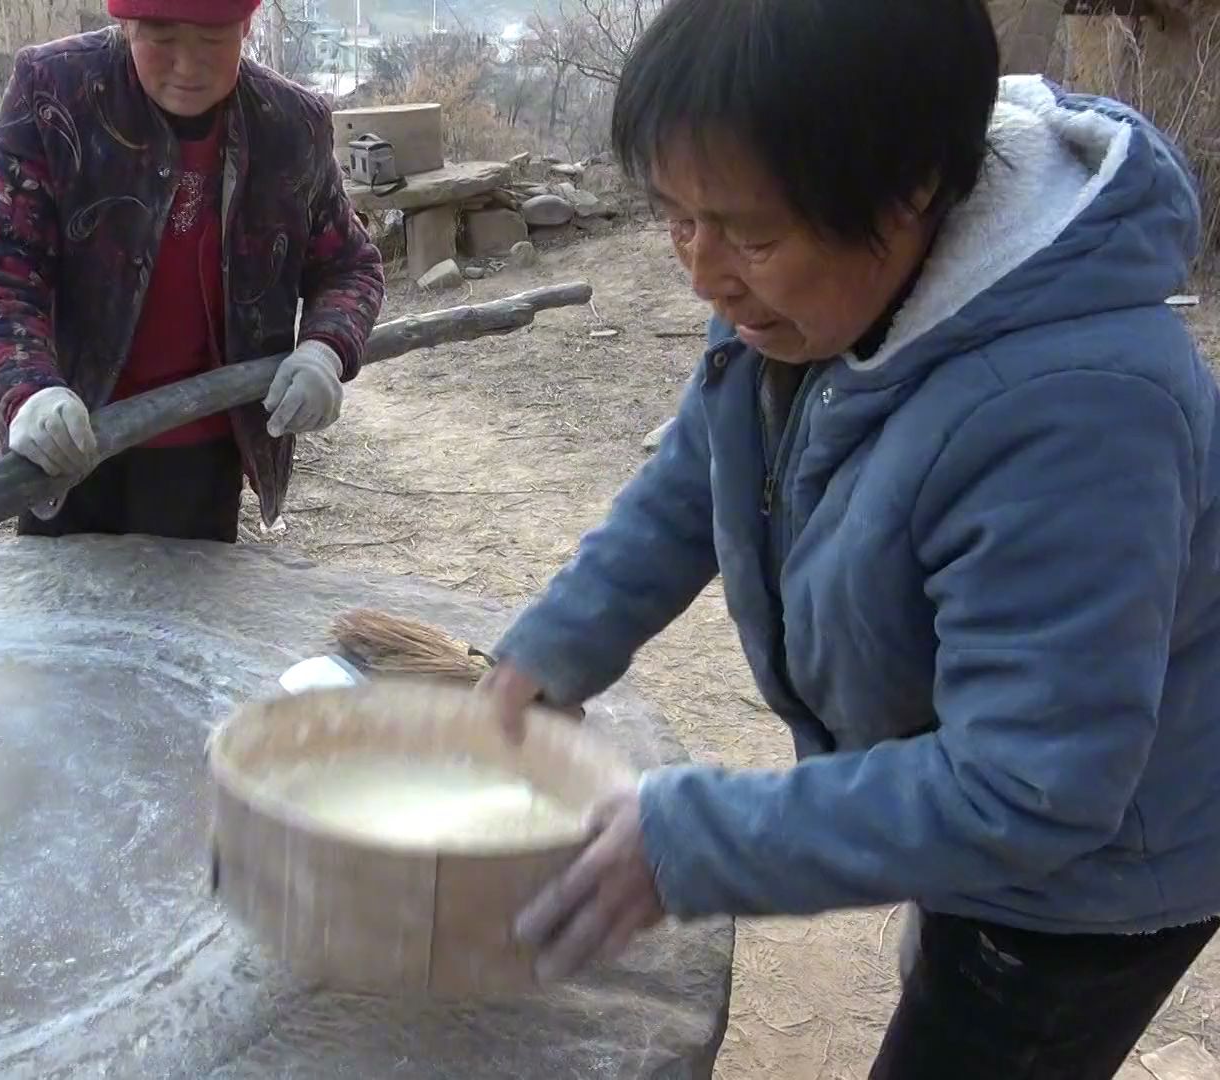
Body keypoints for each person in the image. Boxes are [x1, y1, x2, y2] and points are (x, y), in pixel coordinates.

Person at [476, 1, 1220, 1076]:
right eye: (675, 217)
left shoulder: (1079, 410)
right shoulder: (814, 275)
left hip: (1098, 874)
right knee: (955, 937)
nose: (704, 272)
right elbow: (699, 473)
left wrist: (687, 839)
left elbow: (1026, 788)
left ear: (912, 188)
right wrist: (553, 648)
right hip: (993, 799)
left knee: (985, 1027)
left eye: (748, 233)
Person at [0, 0, 384, 543]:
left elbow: (350, 265)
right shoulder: (54, 91)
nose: (188, 67)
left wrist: (325, 349)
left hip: (205, 447)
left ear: (246, 27)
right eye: (160, 39)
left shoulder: (291, 125)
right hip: (67, 436)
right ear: (126, 24)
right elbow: (0, 265)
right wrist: (28, 390)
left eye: (213, 42)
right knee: (64, 619)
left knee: (190, 621)